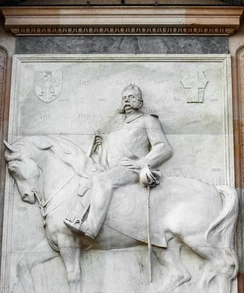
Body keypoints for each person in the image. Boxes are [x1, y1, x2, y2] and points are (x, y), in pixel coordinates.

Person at [64, 84, 173, 238]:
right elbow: (112, 153)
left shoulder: (148, 120)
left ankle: (91, 227)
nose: (127, 100)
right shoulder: (119, 126)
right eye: (124, 98)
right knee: (88, 178)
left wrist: (142, 163)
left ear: (140, 103)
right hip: (113, 168)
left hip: (132, 169)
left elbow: (164, 147)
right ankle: (75, 217)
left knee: (102, 180)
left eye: (131, 97)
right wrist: (101, 143)